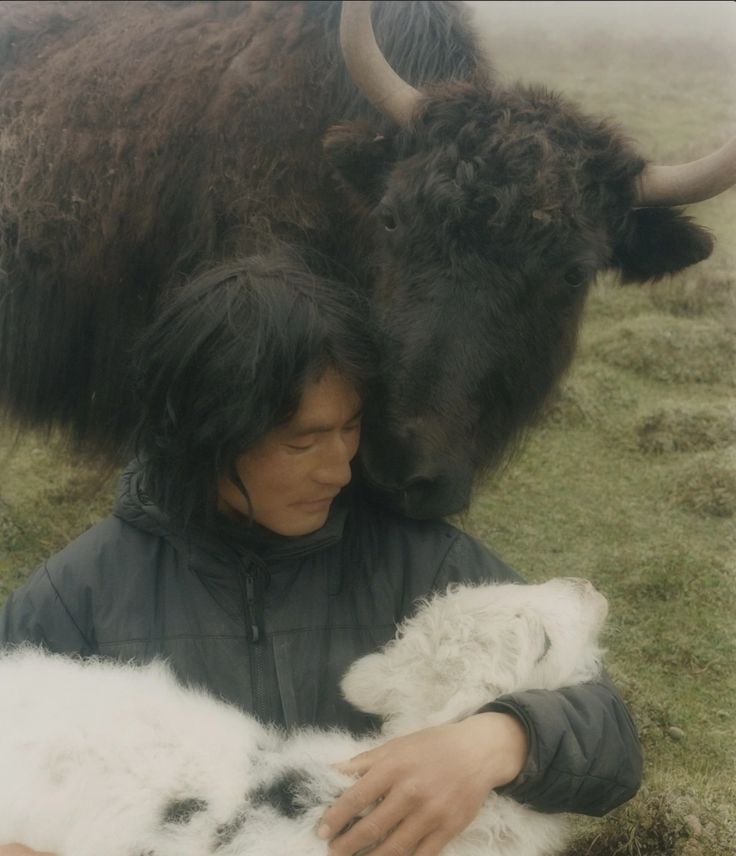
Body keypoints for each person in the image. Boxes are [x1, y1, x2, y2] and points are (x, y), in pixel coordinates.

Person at [0, 249, 642, 856]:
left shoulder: (422, 563)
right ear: (207, 438)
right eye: (302, 443)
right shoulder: (76, 600)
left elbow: (608, 737)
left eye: (351, 426)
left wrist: (495, 741)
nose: (339, 469)